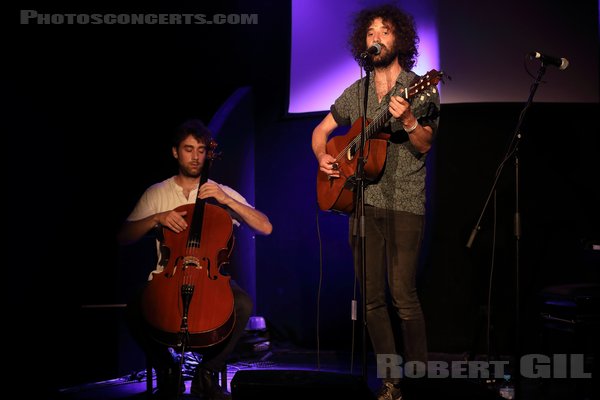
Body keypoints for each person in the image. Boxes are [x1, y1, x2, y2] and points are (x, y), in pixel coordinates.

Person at [311, 4, 440, 400]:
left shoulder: (420, 86)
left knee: (402, 294)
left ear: (398, 39)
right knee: (370, 301)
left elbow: (425, 144)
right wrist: (324, 158)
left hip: (403, 203)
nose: (376, 38)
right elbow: (322, 131)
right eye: (369, 33)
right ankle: (391, 380)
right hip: (362, 205)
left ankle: (417, 375)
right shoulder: (360, 90)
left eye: (384, 31)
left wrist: (408, 122)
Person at [118, 119, 272, 400]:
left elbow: (265, 226)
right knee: (133, 308)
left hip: (210, 278)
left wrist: (227, 200)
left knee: (243, 304)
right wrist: (156, 218)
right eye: (189, 149)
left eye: (201, 150)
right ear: (176, 152)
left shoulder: (219, 190)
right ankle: (167, 370)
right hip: (168, 276)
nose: (196, 156)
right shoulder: (157, 193)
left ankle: (207, 372)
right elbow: (123, 236)